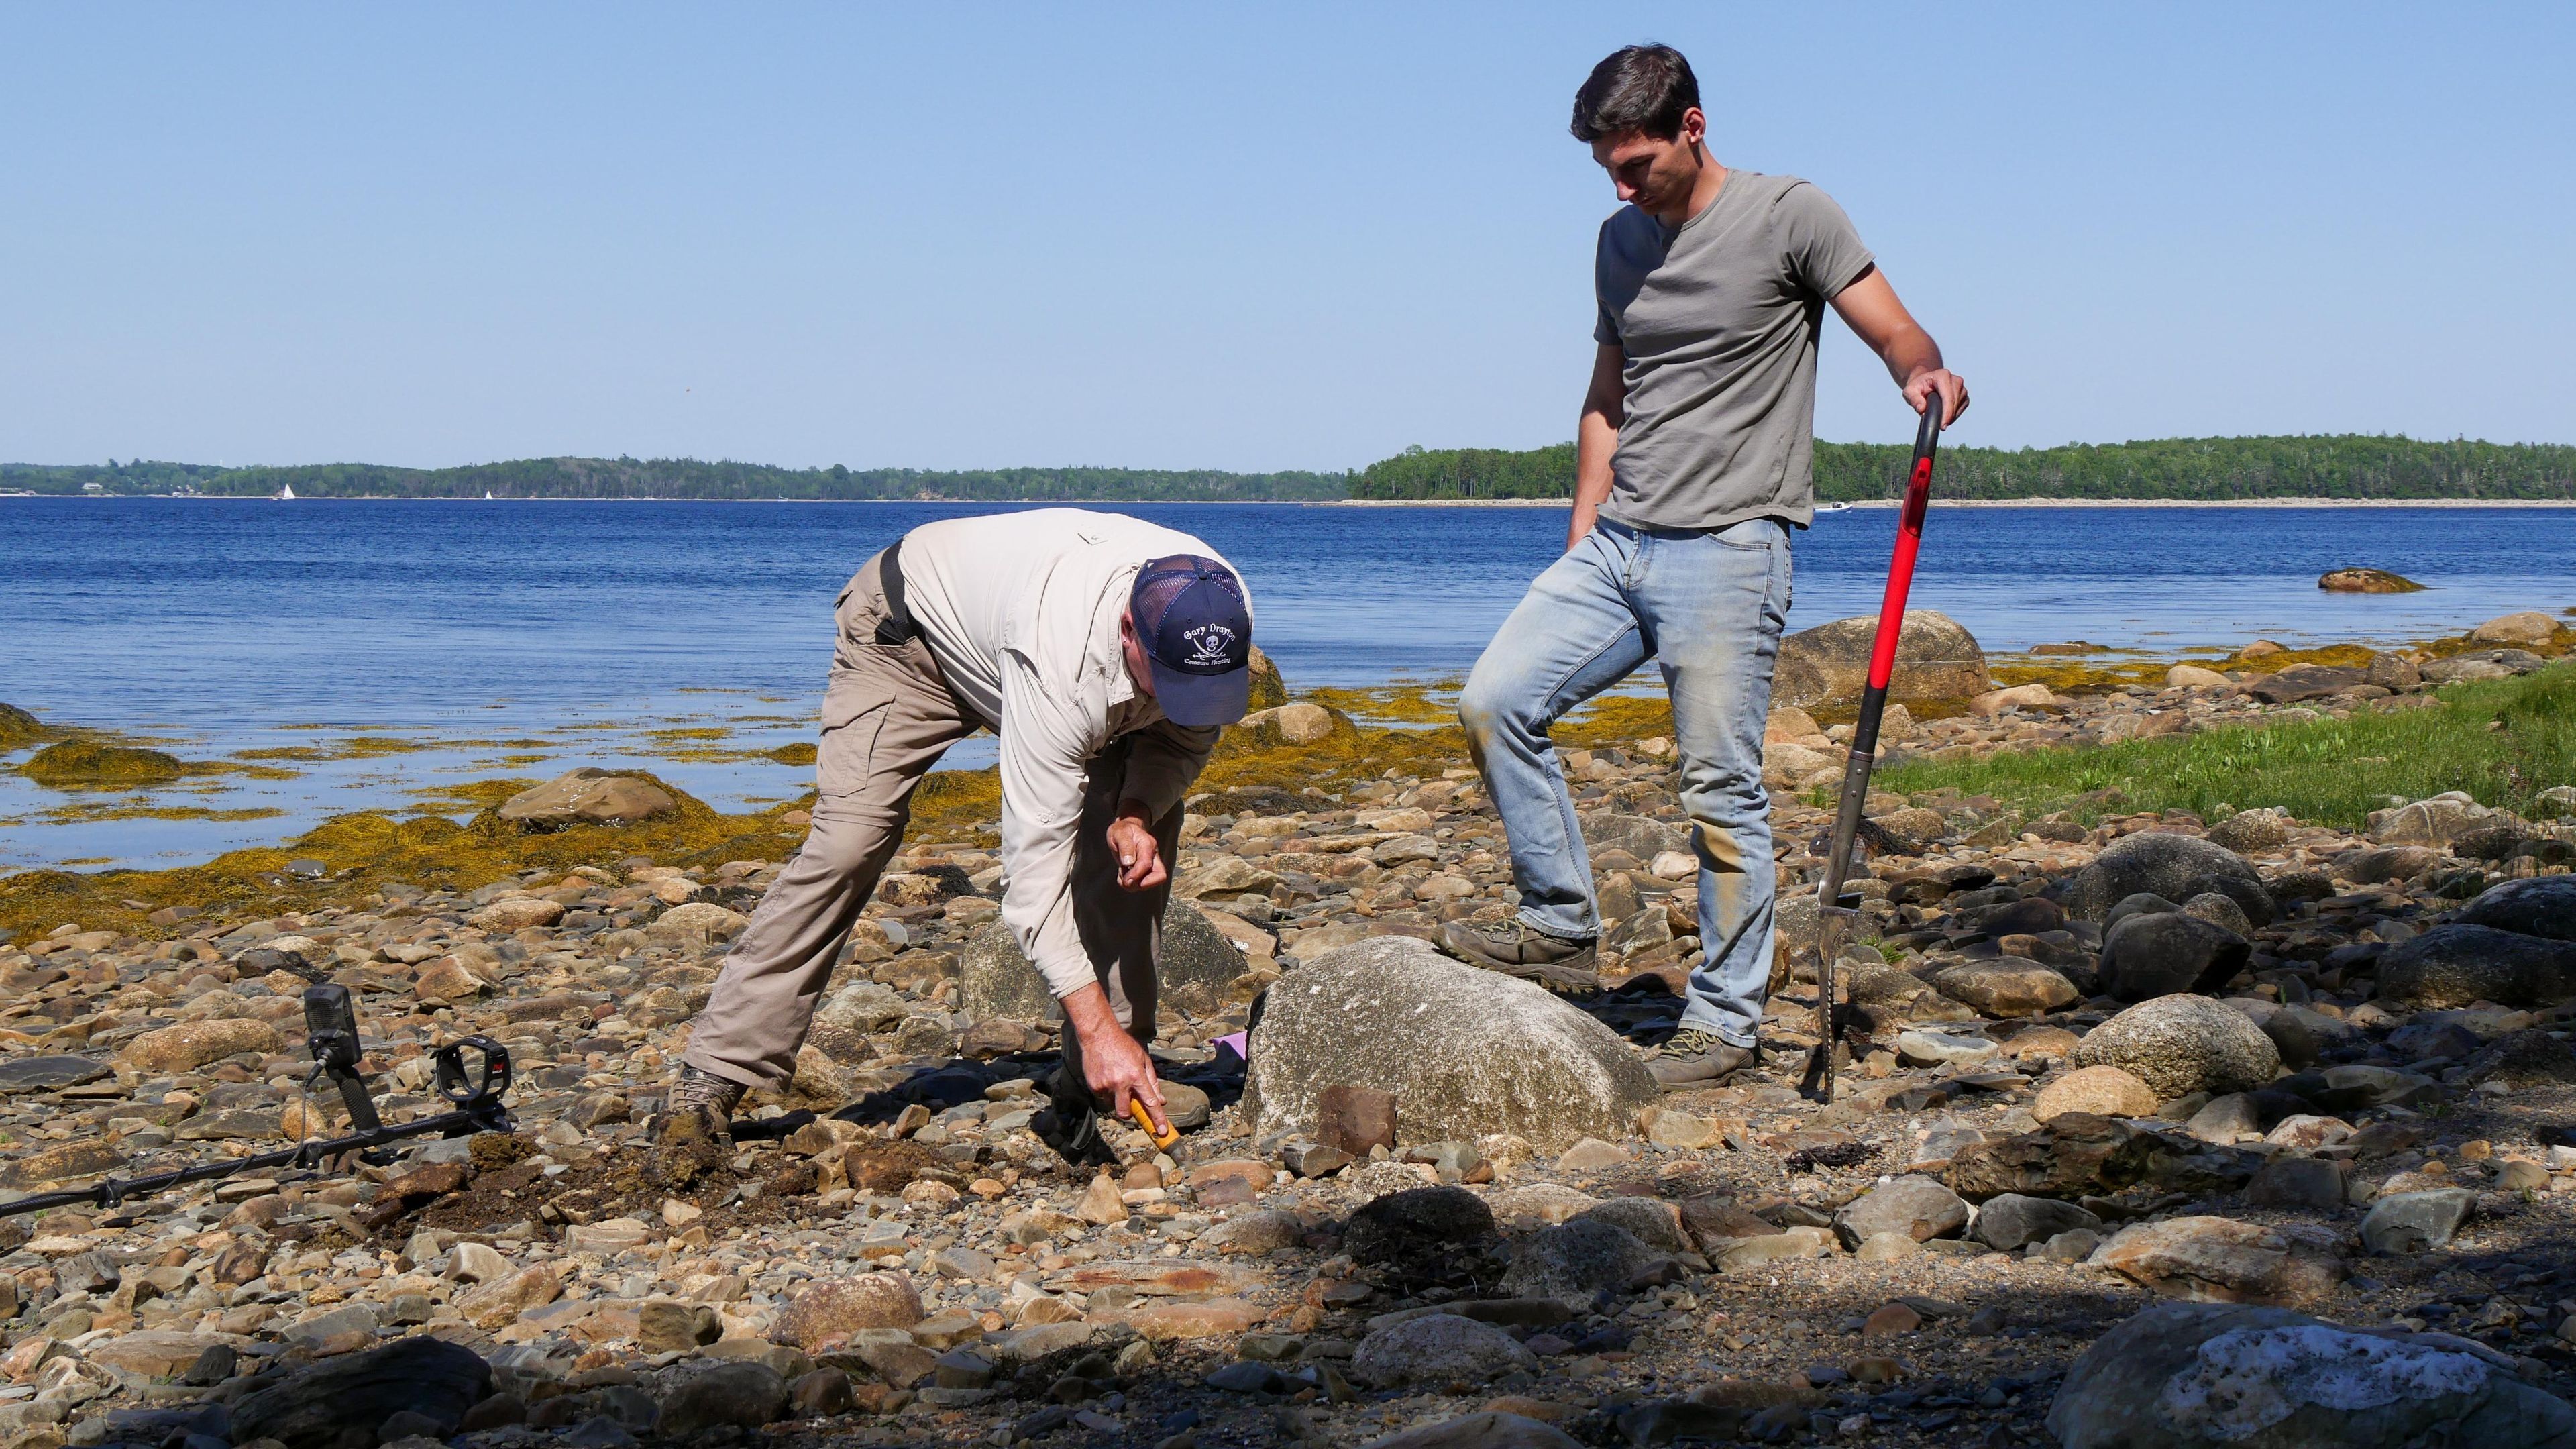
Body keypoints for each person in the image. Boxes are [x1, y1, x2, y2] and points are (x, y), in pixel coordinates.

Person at [1443, 44, 1970, 1089]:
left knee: (1720, 788)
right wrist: (1584, 529)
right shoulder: (1617, 242)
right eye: (1607, 169)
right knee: (1492, 701)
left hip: (1732, 548)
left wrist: (1926, 374)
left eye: (1636, 163)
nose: (1623, 185)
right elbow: (1608, 394)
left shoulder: (1792, 215)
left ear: (1692, 126)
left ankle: (1724, 1025)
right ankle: (1558, 923)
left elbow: (1896, 329)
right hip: (1620, 543)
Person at [663, 508, 1258, 1161]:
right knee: (849, 845)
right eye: (1169, 685)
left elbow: (1183, 736)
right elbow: (1032, 890)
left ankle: (1109, 1073)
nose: (1182, 703)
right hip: (906, 636)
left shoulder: (1216, 609)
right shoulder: (1060, 656)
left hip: (1017, 636)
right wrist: (1092, 1022)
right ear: (1128, 631)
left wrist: (1137, 811)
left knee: (1134, 846)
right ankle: (712, 1078)